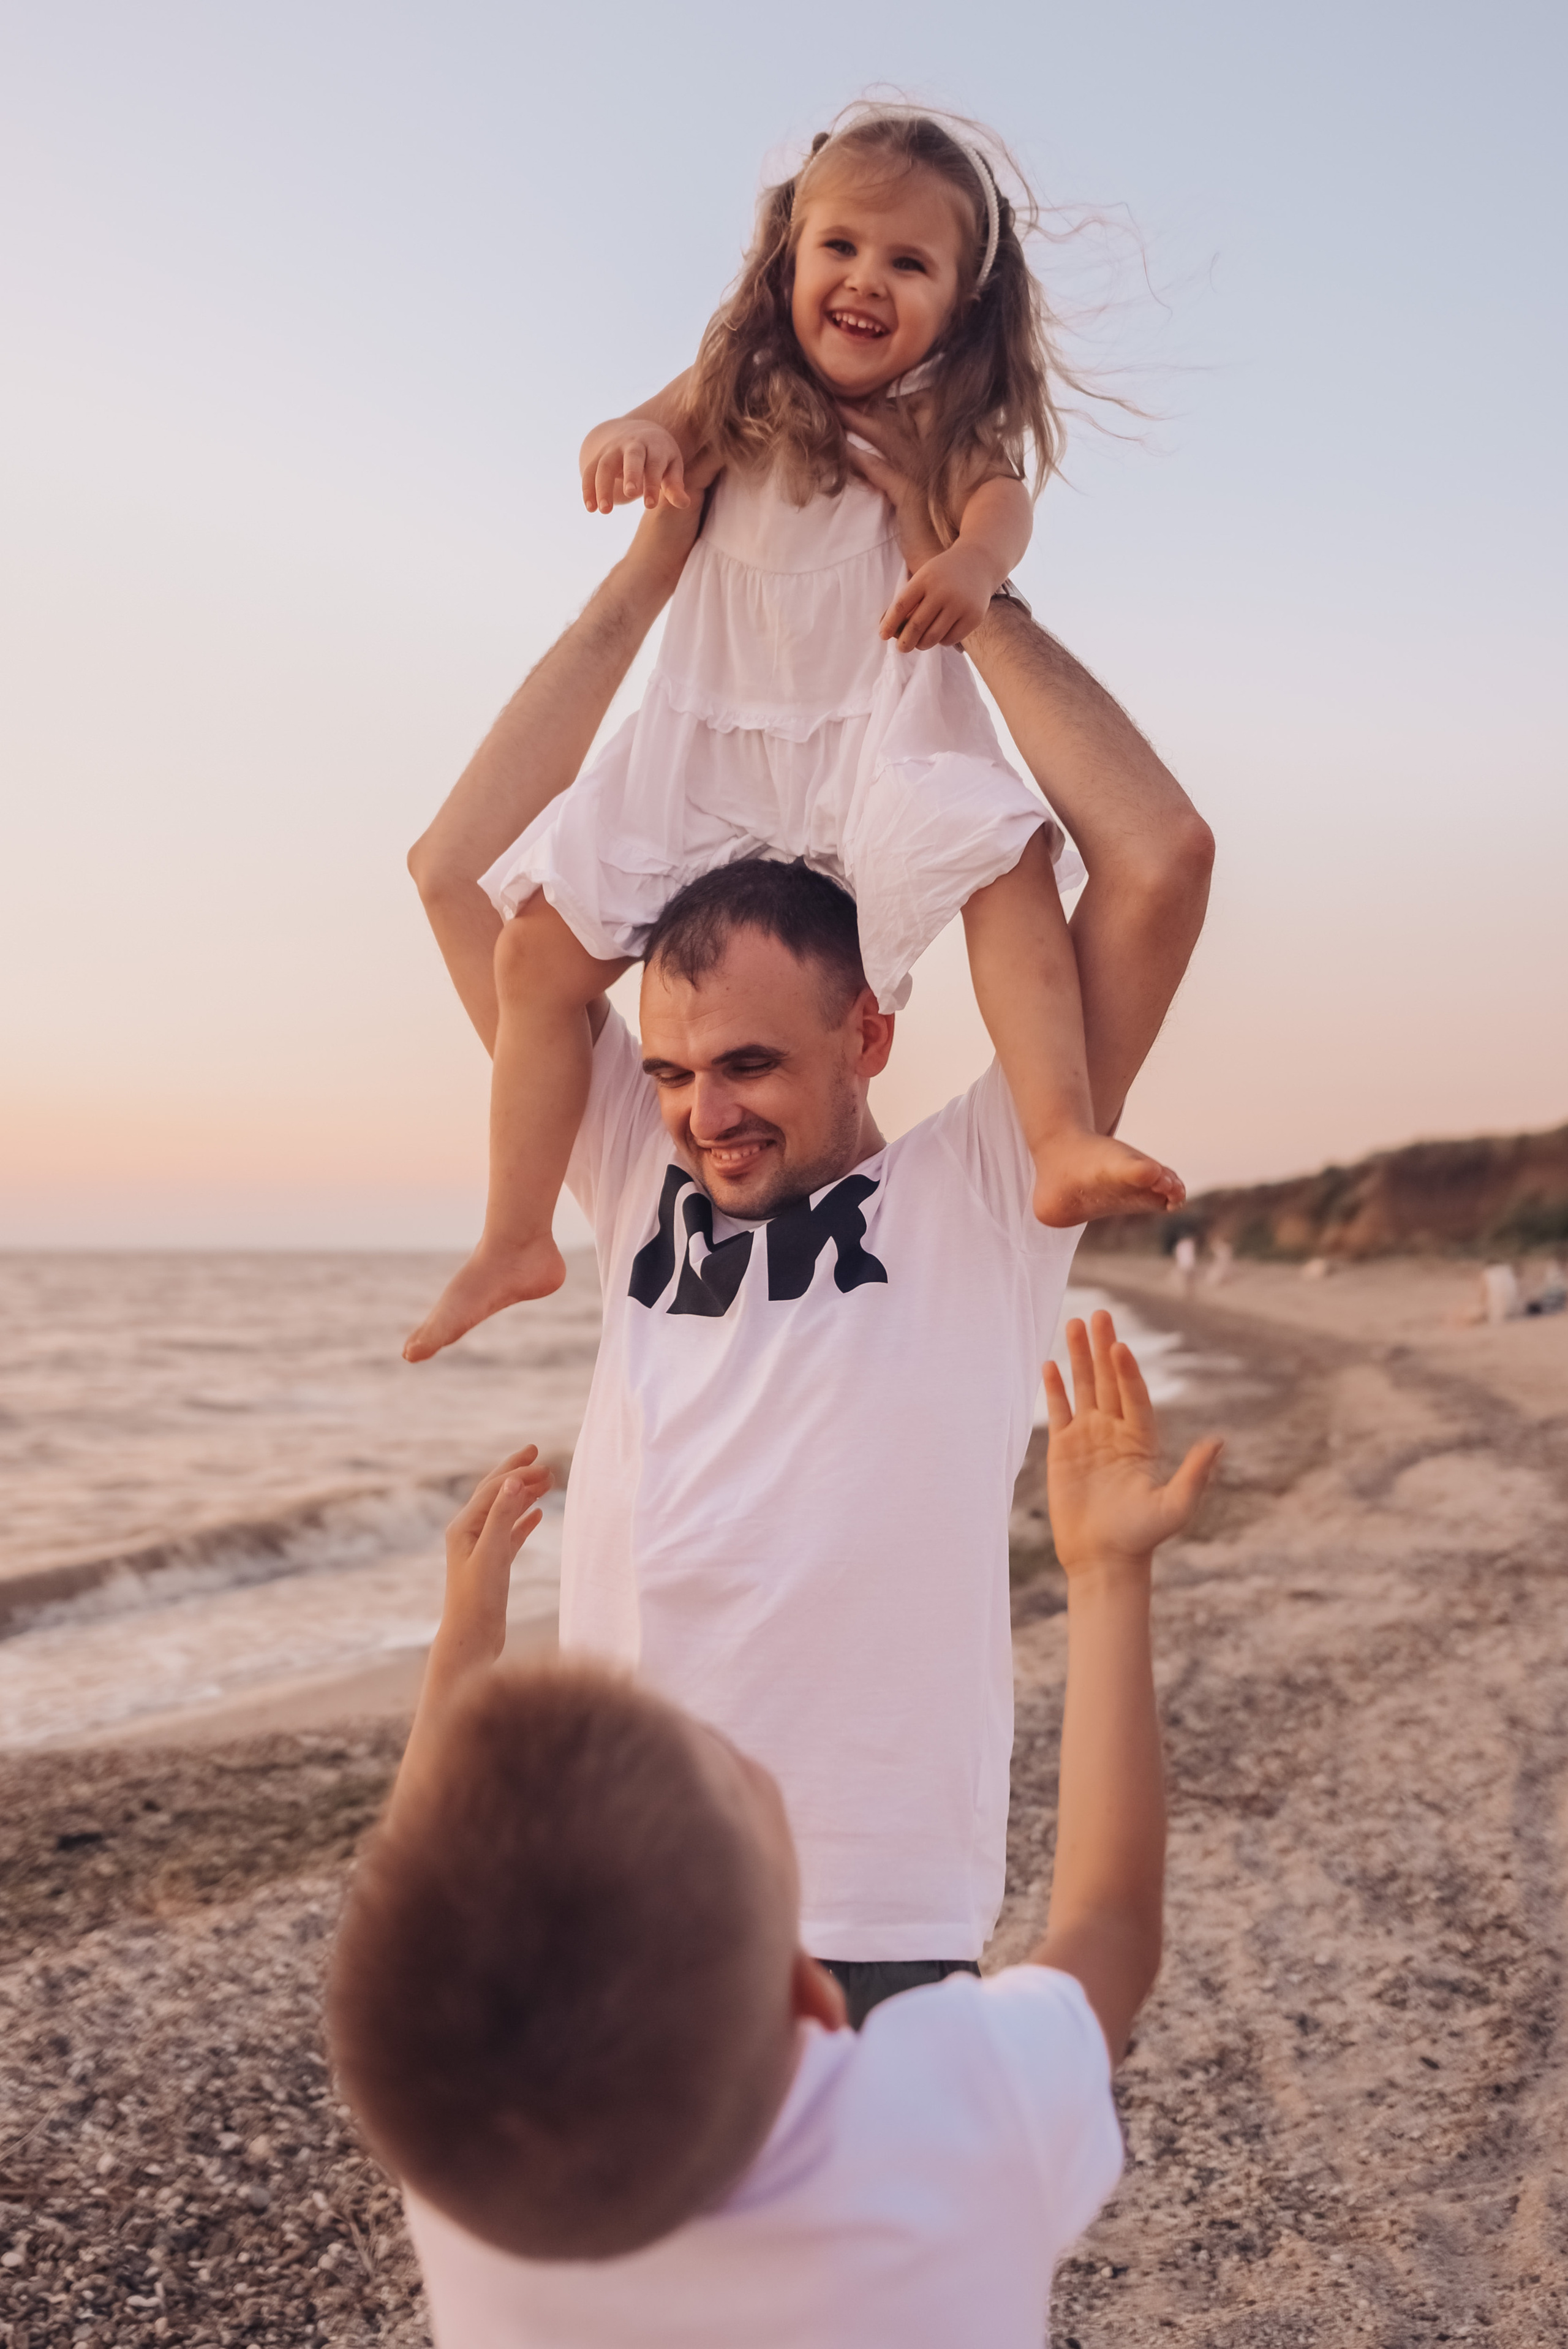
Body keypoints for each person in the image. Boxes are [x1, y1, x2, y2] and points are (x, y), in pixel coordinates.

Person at [402, 417, 1212, 2024]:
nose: (704, 1111)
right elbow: (454, 876)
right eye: (676, 1069)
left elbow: (1159, 860)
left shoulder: (981, 1193)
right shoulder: (638, 1167)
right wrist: (656, 565)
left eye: (752, 1065)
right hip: (622, 1890)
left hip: (869, 1911)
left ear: (869, 1034)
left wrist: (968, 587)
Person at [405, 103, 1184, 1366]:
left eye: (909, 262)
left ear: (962, 305)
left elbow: (999, 507)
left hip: (871, 728)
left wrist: (972, 572)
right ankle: (515, 1233)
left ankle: (1058, 1136)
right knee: (534, 958)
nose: (866, 280)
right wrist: (633, 447)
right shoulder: (739, 382)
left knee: (1006, 864)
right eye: (840, 248)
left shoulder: (940, 419)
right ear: (786, 260)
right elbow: (648, 424)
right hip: (709, 738)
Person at [328, 1312, 1223, 2348]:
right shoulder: (952, 2133)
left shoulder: (470, 2178)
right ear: (813, 1998)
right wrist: (1107, 1573)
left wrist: (463, 1644)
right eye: (744, 1777)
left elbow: (429, 1928)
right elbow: (1111, 1924)